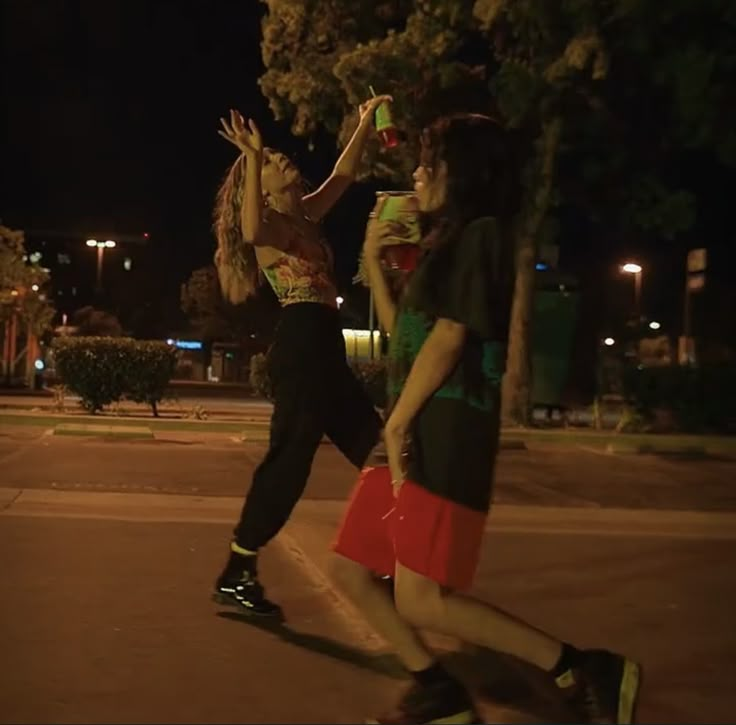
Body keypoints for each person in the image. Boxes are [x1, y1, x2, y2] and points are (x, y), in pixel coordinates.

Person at [330, 114, 641, 724]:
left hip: (445, 436)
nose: (417, 173)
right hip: (412, 430)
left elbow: (450, 339)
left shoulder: (485, 236)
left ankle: (581, 667)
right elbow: (408, 347)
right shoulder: (443, 246)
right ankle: (436, 689)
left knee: (422, 598)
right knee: (352, 572)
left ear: (462, 171)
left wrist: (396, 427)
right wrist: (374, 266)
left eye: (430, 162)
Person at [212, 95, 391, 618]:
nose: (282, 160)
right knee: (289, 463)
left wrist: (362, 124)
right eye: (273, 164)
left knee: (380, 451)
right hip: (300, 344)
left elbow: (344, 172)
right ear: (261, 187)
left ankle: (385, 557)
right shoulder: (269, 228)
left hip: (326, 346)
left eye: (278, 157)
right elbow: (246, 231)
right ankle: (237, 570)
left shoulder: (308, 214)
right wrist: (252, 154)